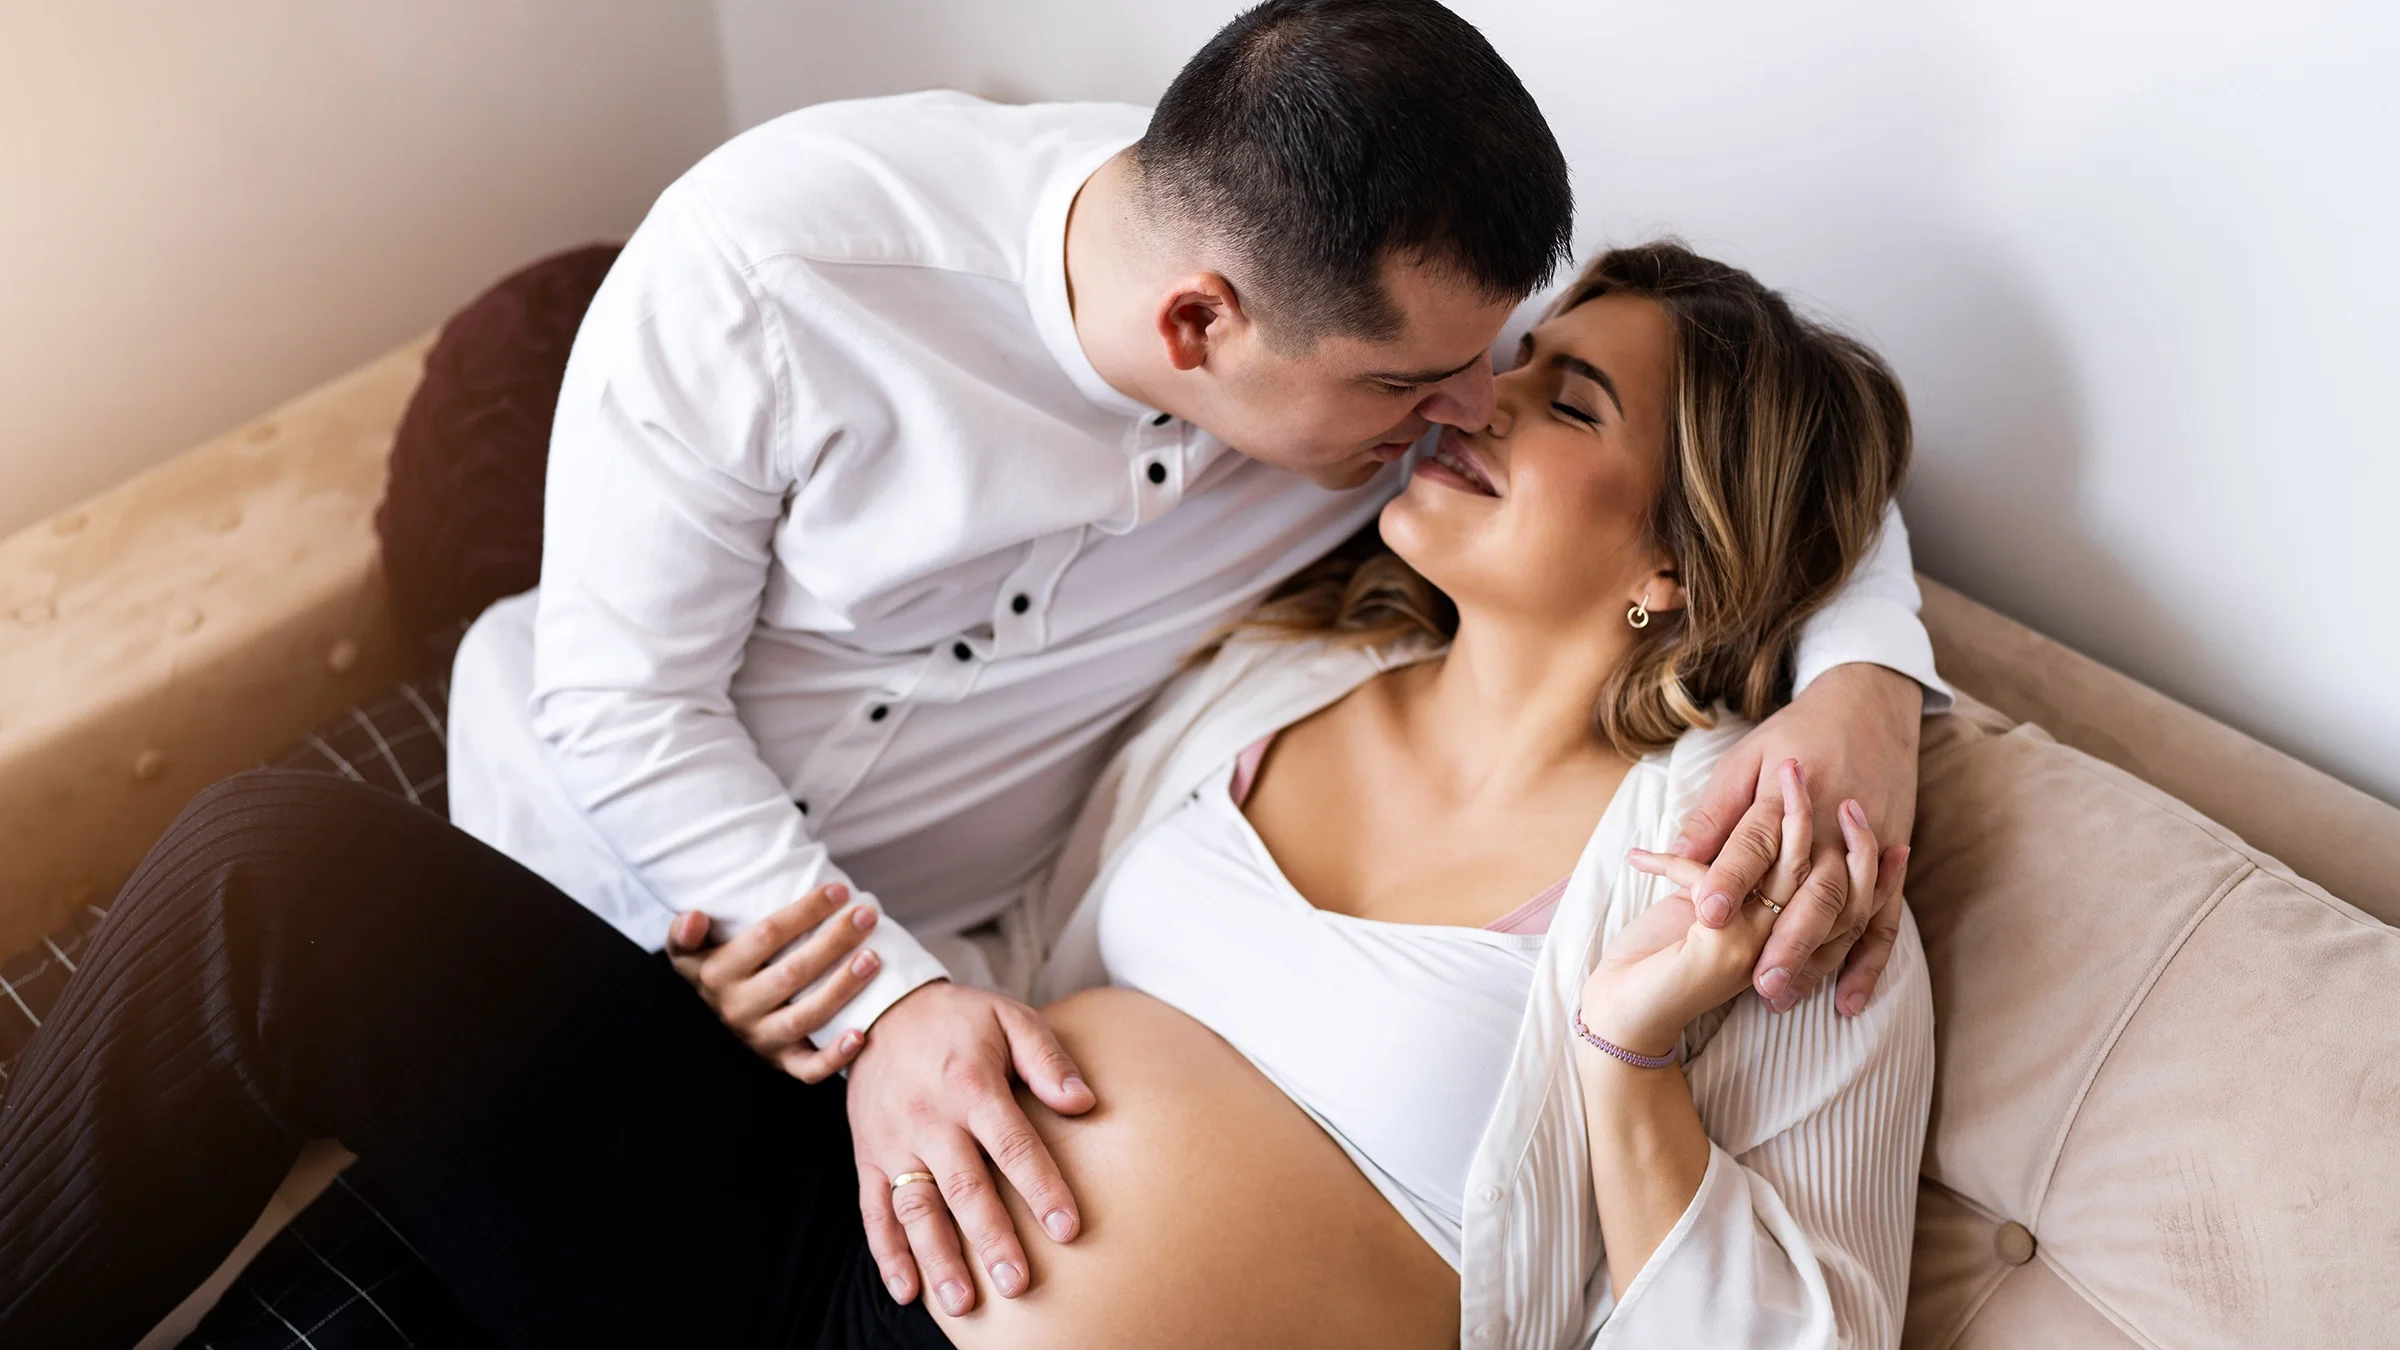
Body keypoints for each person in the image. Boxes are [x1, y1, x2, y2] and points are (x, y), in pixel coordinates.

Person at [0, 240, 1935, 1350]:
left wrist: (1628, 1072)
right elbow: (1035, 951)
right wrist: (846, 1012)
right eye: (1504, 361)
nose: (1477, 398)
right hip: (823, 1244)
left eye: (1567, 399)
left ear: (1684, 552)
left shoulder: (1754, 874)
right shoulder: (1278, 673)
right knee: (276, 875)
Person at [445, 0, 1947, 1316]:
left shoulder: (1379, 326)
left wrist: (1865, 688)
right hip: (611, 888)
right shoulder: (779, 263)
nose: (1463, 407)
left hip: (911, 1091)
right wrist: (878, 1000)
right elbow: (614, 700)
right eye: (1419, 383)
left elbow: (1763, 438)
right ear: (1199, 327)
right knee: (279, 904)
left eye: (1512, 379)